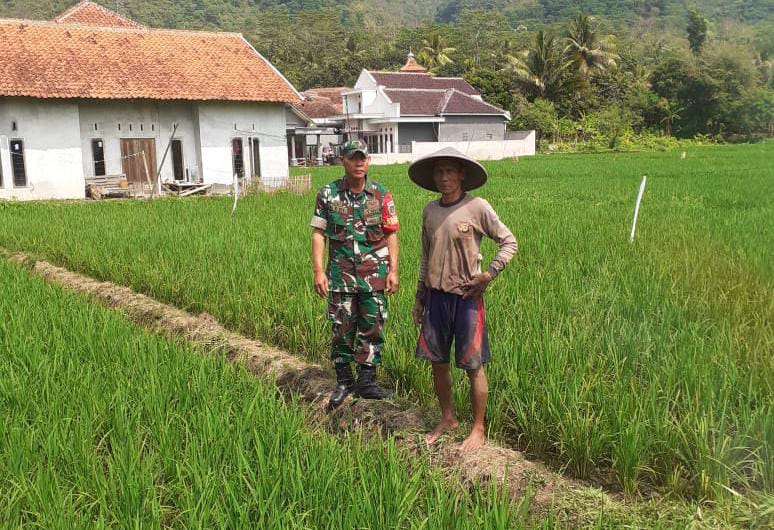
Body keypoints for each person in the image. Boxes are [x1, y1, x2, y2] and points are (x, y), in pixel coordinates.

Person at [409, 147, 517, 452]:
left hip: (467, 299)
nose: (444, 177)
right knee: (437, 363)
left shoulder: (477, 207)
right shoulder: (430, 211)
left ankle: (478, 428)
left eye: (449, 171)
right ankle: (448, 418)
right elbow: (425, 257)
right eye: (439, 172)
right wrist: (420, 297)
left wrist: (490, 274)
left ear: (461, 175)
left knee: (473, 365)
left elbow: (509, 241)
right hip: (435, 298)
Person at [311, 139, 400, 410]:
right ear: (343, 161)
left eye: (363, 158)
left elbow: (391, 234)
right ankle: (344, 381)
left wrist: (394, 270)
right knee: (341, 329)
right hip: (340, 275)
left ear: (368, 161)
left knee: (373, 328)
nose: (359, 162)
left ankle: (367, 382)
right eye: (353, 157)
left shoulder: (381, 194)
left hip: (374, 276)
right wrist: (318, 270)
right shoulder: (328, 194)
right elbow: (319, 233)